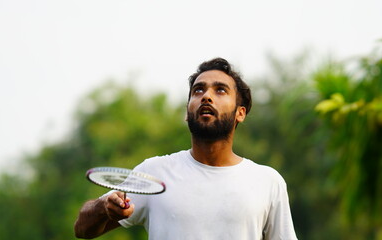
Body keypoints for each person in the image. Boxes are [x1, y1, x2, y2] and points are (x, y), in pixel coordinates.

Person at [74, 57, 298, 240]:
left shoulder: (267, 181)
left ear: (240, 113)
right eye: (198, 90)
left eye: (220, 90)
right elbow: (82, 229)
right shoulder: (155, 172)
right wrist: (104, 206)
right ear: (187, 111)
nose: (206, 96)